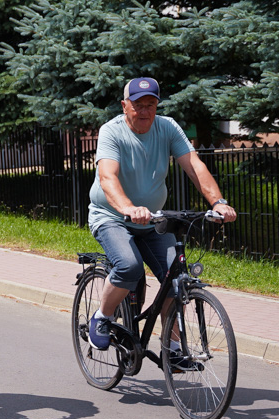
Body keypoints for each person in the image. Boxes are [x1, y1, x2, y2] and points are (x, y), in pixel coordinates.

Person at [86, 77, 237, 359]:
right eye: (138, 104)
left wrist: (218, 202)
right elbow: (107, 176)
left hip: (153, 219)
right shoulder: (112, 131)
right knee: (129, 266)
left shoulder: (167, 127)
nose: (144, 111)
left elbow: (194, 166)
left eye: (151, 104)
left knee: (177, 277)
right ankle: (102, 317)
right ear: (124, 105)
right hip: (112, 217)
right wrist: (128, 207)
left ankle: (174, 347)